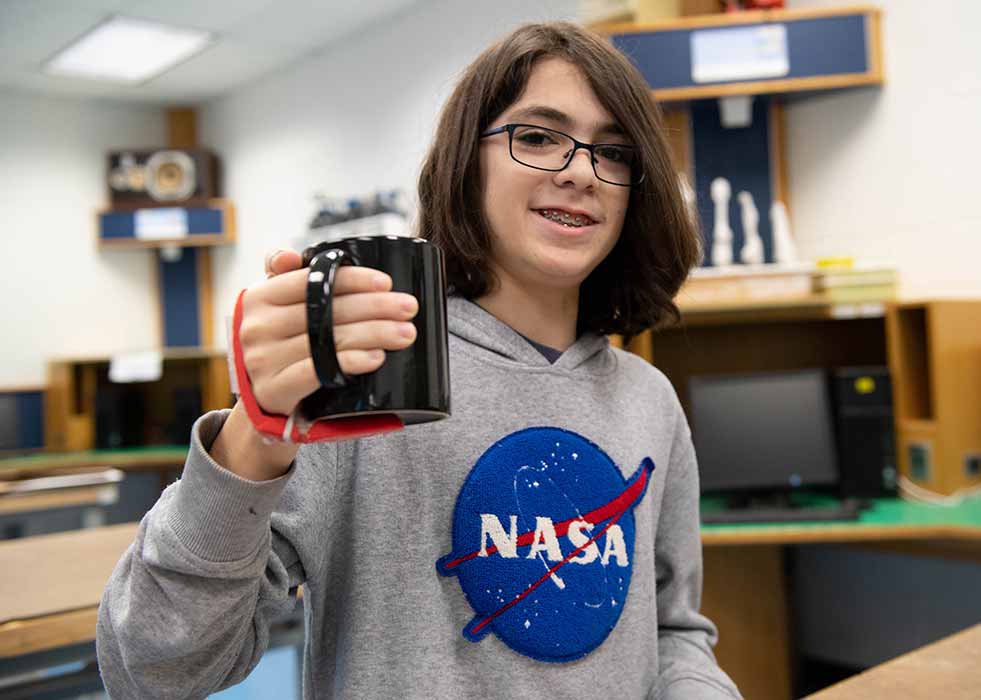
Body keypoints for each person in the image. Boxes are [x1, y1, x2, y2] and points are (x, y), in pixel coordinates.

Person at [97, 21, 742, 700]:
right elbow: (150, 670)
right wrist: (249, 443)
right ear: (467, 162)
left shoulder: (648, 399)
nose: (581, 170)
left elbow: (671, 631)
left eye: (612, 152)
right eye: (538, 136)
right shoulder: (369, 374)